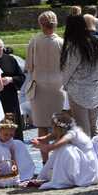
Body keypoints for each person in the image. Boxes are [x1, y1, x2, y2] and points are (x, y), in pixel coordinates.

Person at [60, 14, 98, 169]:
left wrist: (64, 85)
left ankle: (89, 167)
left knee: (83, 129)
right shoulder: (96, 42)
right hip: (94, 88)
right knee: (95, 129)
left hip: (77, 89)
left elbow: (68, 70)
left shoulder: (74, 46)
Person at [32, 112, 98, 190]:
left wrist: (39, 145)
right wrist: (41, 139)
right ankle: (59, 174)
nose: (52, 129)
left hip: (87, 168)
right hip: (89, 162)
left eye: (53, 127)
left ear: (57, 127)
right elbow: (52, 135)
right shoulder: (73, 129)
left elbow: (51, 148)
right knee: (64, 148)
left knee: (64, 149)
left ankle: (66, 177)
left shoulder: (71, 134)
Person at [26, 11, 64, 163]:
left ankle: (45, 161)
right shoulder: (62, 42)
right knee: (59, 125)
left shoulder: (34, 41)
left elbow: (29, 65)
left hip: (40, 86)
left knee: (42, 126)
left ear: (41, 24)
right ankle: (60, 160)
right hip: (58, 86)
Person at [0, 37, 26, 140]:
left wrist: (10, 79)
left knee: (13, 124)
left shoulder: (10, 59)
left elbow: (22, 77)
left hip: (10, 97)